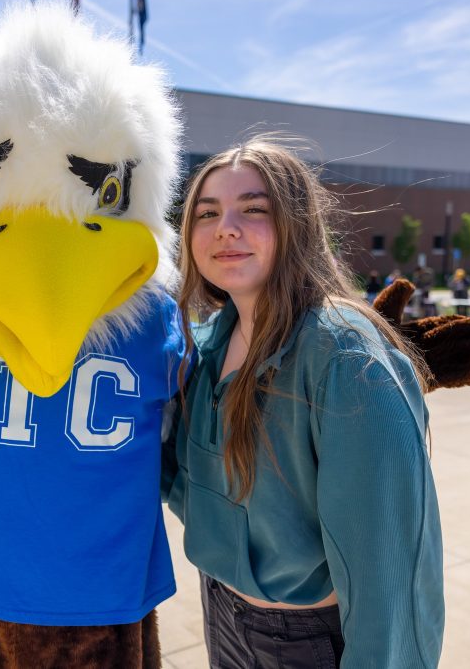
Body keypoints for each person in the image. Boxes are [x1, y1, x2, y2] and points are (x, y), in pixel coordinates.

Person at [162, 136, 443, 668]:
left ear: (297, 226)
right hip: (221, 611)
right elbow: (194, 486)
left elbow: (389, 569)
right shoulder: (212, 340)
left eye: (253, 209)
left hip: (303, 642)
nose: (226, 227)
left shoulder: (343, 355)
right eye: (207, 213)